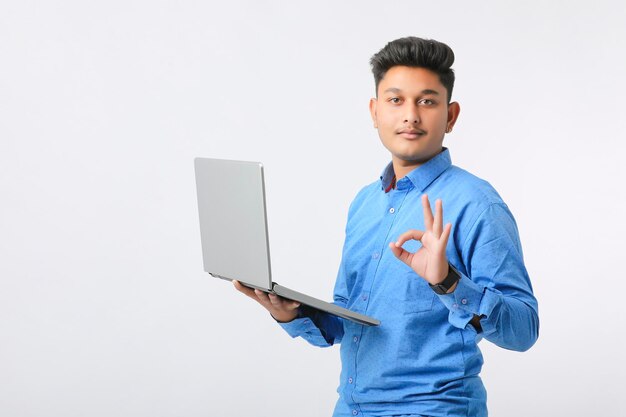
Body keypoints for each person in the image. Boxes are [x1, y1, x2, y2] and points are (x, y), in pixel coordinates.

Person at [234, 36, 539, 417]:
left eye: (427, 101)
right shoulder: (364, 203)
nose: (410, 115)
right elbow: (347, 320)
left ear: (451, 115)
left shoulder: (477, 203)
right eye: (396, 100)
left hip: (433, 409)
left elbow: (524, 330)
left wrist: (448, 282)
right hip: (351, 408)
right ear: (375, 112)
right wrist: (290, 312)